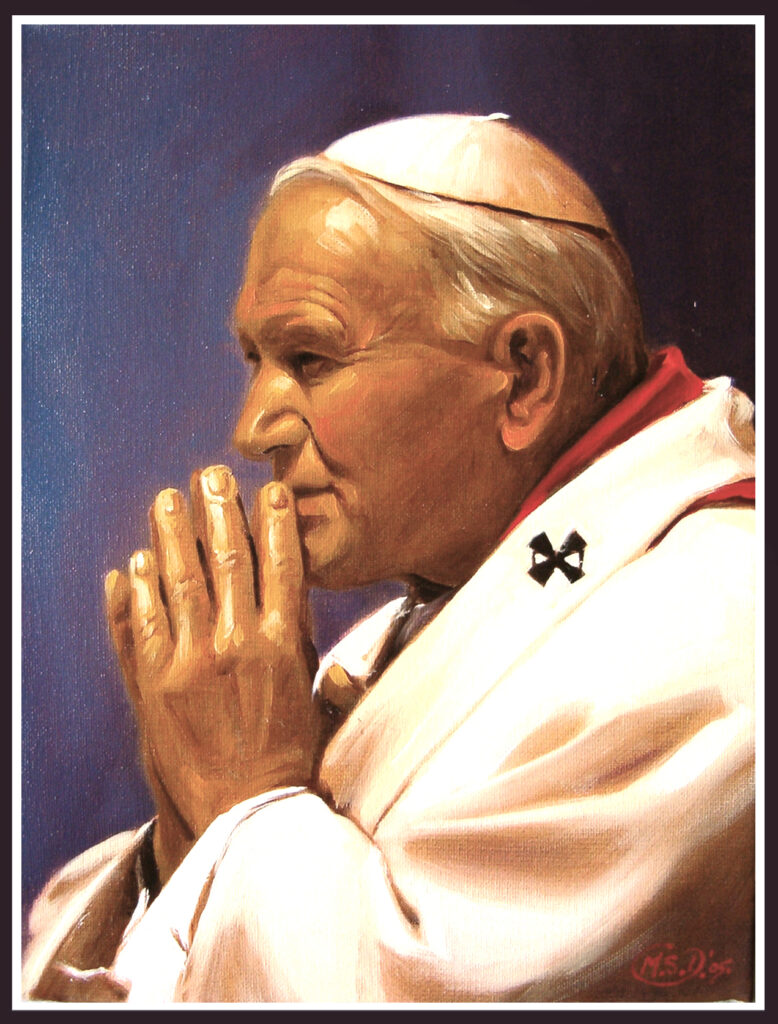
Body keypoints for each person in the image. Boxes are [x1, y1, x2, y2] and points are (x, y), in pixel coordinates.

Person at [22, 113, 755, 1004]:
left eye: (310, 358)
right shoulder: (423, 617)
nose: (253, 429)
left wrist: (243, 800)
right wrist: (185, 837)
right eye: (256, 360)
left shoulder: (713, 629)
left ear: (524, 375)